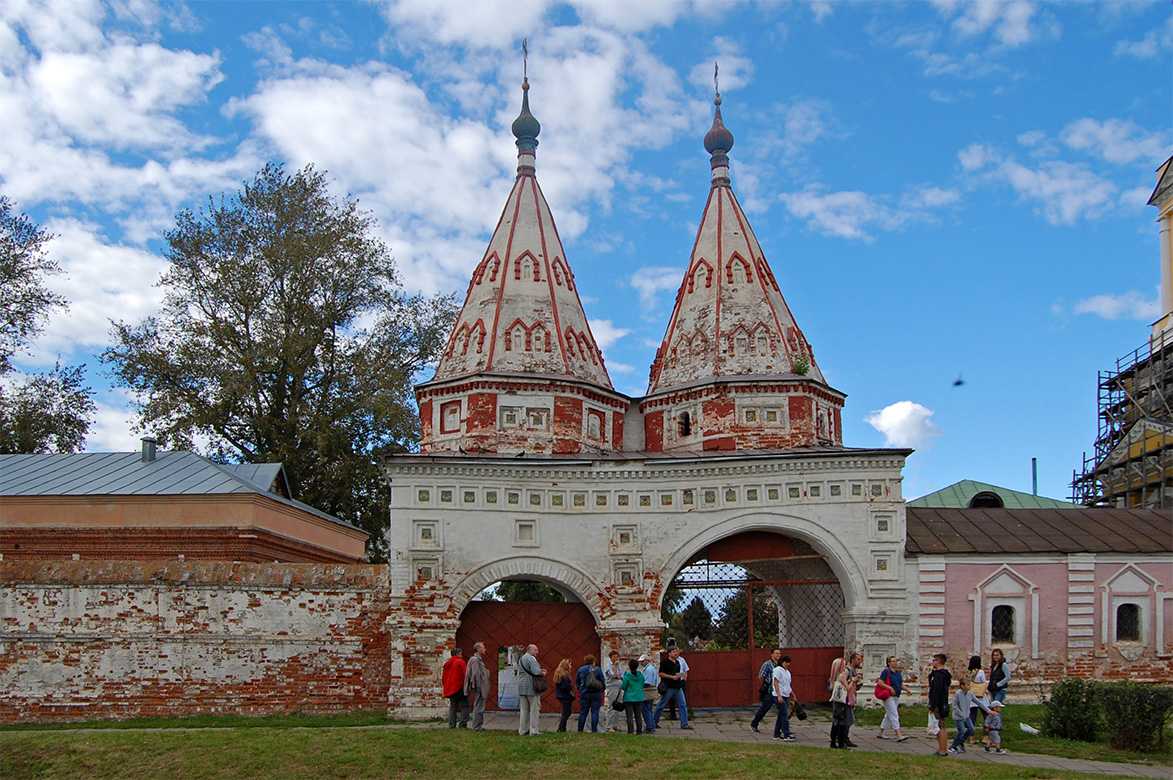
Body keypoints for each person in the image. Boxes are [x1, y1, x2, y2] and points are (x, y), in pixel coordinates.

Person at [653, 647, 692, 730]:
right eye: (674, 652)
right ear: (669, 653)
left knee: (682, 705)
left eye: (676, 652)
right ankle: (653, 722)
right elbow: (661, 673)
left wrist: (681, 675)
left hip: (678, 687)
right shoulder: (665, 662)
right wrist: (671, 677)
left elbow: (676, 674)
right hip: (669, 687)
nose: (676, 653)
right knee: (661, 705)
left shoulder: (677, 662)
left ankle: (684, 724)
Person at [876, 655, 908, 742]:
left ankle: (881, 733)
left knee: (888, 715)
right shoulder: (886, 672)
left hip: (896, 696)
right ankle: (899, 735)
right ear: (889, 663)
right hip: (888, 696)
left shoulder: (898, 673)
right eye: (893, 661)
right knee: (894, 714)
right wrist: (889, 688)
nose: (895, 663)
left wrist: (907, 690)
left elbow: (900, 684)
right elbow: (880, 682)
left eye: (895, 661)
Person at [516, 644, 546, 736]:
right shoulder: (531, 658)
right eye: (536, 650)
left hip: (522, 686)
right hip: (531, 686)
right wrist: (543, 672)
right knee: (534, 709)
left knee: (524, 709)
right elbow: (536, 671)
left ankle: (522, 730)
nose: (537, 652)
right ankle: (533, 730)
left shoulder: (521, 658)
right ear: (530, 650)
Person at [750, 648, 782, 733]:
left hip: (779, 690)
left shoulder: (780, 664)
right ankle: (754, 724)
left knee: (782, 709)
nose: (778, 655)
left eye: (779, 653)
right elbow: (761, 676)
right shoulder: (767, 664)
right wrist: (768, 681)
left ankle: (783, 728)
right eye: (776, 653)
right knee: (764, 708)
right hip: (770, 691)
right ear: (772, 654)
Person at [928, 653, 952, 756]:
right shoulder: (940, 674)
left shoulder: (940, 675)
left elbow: (936, 691)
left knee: (940, 726)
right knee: (940, 726)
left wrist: (933, 706)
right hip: (943, 703)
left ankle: (943, 750)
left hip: (939, 703)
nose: (932, 662)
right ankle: (942, 748)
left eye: (934, 660)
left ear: (939, 661)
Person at [575, 654, 605, 733]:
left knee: (583, 712)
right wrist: (602, 690)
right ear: (593, 661)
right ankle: (594, 730)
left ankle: (580, 730)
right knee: (595, 712)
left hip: (584, 693)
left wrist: (580, 689)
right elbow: (602, 681)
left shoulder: (581, 669)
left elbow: (577, 682)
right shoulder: (597, 669)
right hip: (596, 694)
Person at [464, 641, 489, 731]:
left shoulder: (478, 659)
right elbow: (475, 674)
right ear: (478, 649)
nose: (484, 649)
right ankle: (476, 726)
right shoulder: (475, 660)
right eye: (483, 647)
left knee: (480, 706)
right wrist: (478, 687)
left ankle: (479, 725)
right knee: (479, 706)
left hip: (481, 686)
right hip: (480, 687)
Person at [442, 647, 469, 729]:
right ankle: (462, 724)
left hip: (450, 688)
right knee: (464, 706)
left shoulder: (447, 663)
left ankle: (451, 724)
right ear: (458, 654)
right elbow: (466, 675)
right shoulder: (460, 662)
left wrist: (445, 685)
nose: (462, 655)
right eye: (461, 653)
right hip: (459, 687)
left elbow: (443, 677)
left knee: (453, 707)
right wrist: (468, 686)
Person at [948, 674, 976, 754]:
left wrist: (988, 710)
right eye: (967, 685)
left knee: (971, 730)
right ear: (962, 686)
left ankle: (960, 742)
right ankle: (952, 747)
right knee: (962, 731)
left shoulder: (970, 694)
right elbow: (954, 706)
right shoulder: (958, 694)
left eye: (969, 684)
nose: (969, 686)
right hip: (958, 717)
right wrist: (961, 714)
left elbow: (978, 702)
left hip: (966, 716)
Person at [772, 654, 796, 741]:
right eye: (786, 662)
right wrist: (779, 695)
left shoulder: (787, 672)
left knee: (781, 715)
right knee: (784, 715)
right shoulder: (778, 670)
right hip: (779, 695)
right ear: (782, 662)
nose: (788, 664)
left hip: (785, 695)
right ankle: (786, 734)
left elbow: (787, 685)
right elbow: (775, 682)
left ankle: (776, 734)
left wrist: (792, 694)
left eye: (789, 662)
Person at [843, 651, 863, 748]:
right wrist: (853, 680)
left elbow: (854, 685)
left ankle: (844, 737)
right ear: (853, 660)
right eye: (858, 659)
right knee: (848, 719)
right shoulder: (847, 670)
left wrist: (858, 684)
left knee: (848, 719)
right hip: (846, 698)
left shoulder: (854, 671)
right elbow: (844, 683)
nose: (860, 661)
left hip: (851, 697)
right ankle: (843, 738)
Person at [967, 655, 988, 746]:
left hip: (972, 697)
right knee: (987, 716)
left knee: (972, 717)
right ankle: (985, 737)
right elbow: (983, 682)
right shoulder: (981, 672)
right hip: (981, 697)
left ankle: (971, 737)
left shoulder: (970, 672)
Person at [621, 659, 646, 734]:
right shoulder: (640, 675)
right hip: (639, 697)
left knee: (629, 716)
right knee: (638, 716)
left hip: (629, 698)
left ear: (629, 666)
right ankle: (639, 731)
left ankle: (630, 731)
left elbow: (623, 686)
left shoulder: (627, 675)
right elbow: (642, 683)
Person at [829, 661, 851, 749]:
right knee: (841, 722)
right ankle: (841, 743)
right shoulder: (842, 675)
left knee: (836, 721)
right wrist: (853, 681)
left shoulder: (834, 677)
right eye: (844, 665)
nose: (845, 667)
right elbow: (848, 688)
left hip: (836, 701)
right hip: (841, 701)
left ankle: (833, 742)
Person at [602, 649, 623, 733]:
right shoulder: (608, 665)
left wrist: (617, 670)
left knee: (618, 706)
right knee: (611, 706)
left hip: (619, 687)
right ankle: (609, 726)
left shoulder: (618, 665)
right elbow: (613, 675)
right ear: (610, 657)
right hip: (612, 687)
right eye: (614, 657)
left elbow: (621, 674)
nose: (616, 658)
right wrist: (615, 667)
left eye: (617, 657)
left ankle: (615, 725)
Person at [553, 658, 575, 732]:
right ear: (566, 665)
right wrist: (571, 688)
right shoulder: (565, 675)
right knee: (567, 712)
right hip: (565, 696)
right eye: (570, 664)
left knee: (565, 712)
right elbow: (565, 686)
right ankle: (561, 728)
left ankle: (562, 728)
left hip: (561, 695)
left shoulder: (559, 673)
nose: (571, 666)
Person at [640, 654, 658, 734]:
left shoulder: (648, 669)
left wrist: (639, 684)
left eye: (642, 661)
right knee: (649, 710)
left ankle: (649, 727)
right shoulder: (650, 668)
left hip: (647, 691)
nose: (641, 663)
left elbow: (648, 682)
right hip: (650, 691)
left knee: (645, 710)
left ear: (647, 660)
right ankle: (651, 726)